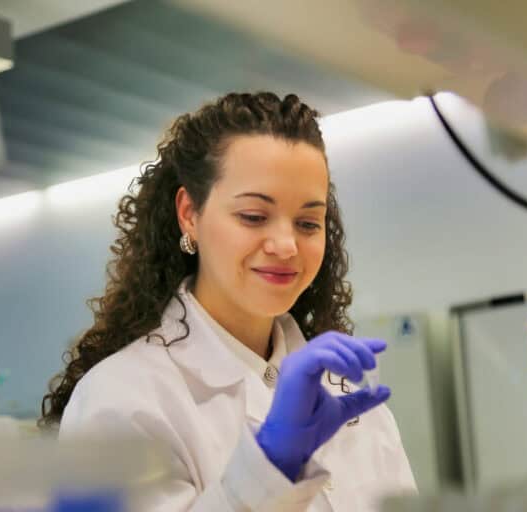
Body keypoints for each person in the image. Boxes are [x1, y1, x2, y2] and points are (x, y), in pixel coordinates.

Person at [41, 92, 417, 510]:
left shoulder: (349, 400)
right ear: (189, 213)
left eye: (309, 223)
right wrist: (269, 466)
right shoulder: (120, 399)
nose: (286, 245)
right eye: (253, 217)